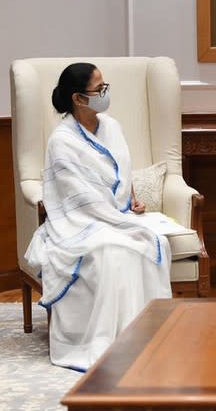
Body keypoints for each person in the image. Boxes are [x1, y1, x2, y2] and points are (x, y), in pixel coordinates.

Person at [25, 63, 172, 371]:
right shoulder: (62, 140)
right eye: (100, 89)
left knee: (151, 244)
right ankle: (110, 342)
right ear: (79, 99)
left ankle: (149, 337)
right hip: (81, 221)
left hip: (116, 215)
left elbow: (120, 172)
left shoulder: (112, 126)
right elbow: (77, 196)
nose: (106, 94)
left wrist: (131, 201)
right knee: (113, 253)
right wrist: (114, 219)